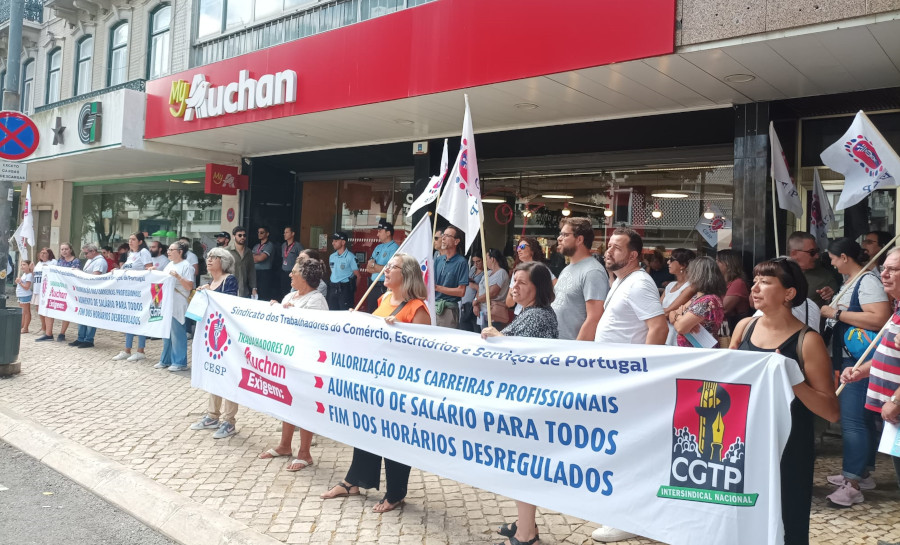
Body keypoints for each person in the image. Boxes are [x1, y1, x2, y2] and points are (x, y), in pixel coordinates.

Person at [731, 258, 839, 545]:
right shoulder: (744, 327)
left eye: (765, 282)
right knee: (742, 515)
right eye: (755, 280)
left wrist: (792, 378)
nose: (755, 287)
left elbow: (830, 410)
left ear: (789, 293)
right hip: (746, 438)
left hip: (789, 443)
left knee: (788, 517)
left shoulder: (808, 341)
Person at [321, 253, 430, 511]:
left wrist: (400, 335)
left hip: (399, 388)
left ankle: (395, 493)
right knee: (366, 429)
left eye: (393, 266)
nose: (387, 270)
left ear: (408, 274)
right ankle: (354, 481)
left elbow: (424, 354)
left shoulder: (418, 309)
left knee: (394, 438)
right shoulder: (382, 299)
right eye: (388, 265)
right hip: (374, 381)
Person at [591, 229, 666, 543]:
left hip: (628, 380)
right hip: (613, 377)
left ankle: (629, 518)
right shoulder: (621, 281)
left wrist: (642, 371)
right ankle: (621, 510)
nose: (609, 251)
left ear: (634, 255)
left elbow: (658, 326)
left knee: (627, 449)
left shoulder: (639, 283)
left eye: (617, 248)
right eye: (609, 246)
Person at [482, 261, 557, 545]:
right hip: (525, 402)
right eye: (514, 280)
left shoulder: (537, 317)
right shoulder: (530, 313)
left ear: (539, 288)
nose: (514, 286)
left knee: (523, 469)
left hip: (529, 406)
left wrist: (499, 339)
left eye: (522, 282)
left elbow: (520, 357)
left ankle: (526, 537)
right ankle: (526, 524)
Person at [818, 238, 891, 507]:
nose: (833, 265)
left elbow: (879, 318)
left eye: (834, 259)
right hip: (852, 358)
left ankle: (853, 483)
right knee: (861, 419)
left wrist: (835, 313)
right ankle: (862, 472)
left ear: (845, 257)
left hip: (861, 362)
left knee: (853, 422)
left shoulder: (867, 281)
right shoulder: (853, 281)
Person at [840, 247, 900, 498]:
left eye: (892, 269)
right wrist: (861, 371)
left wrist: (896, 401)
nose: (884, 274)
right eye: (883, 268)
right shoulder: (897, 309)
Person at [258, 257, 329, 469]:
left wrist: (290, 313)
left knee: (304, 403)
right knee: (287, 400)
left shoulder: (316, 300)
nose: (290, 274)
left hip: (307, 360)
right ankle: (284, 445)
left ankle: (305, 452)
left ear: (306, 277)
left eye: (295, 272)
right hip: (288, 358)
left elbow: (315, 329)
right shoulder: (291, 295)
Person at [189, 247, 240, 439]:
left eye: (215, 257)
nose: (209, 260)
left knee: (227, 377)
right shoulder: (211, 282)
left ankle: (229, 421)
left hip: (225, 338)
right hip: (212, 337)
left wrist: (210, 293)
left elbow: (229, 304)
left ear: (224, 262)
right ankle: (212, 415)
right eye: (208, 257)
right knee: (214, 374)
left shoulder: (229, 280)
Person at [551, 217, 608, 341]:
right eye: (560, 234)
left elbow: (595, 317)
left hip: (572, 350)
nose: (559, 238)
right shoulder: (568, 268)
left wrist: (576, 351)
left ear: (579, 239)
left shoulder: (593, 271)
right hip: (557, 345)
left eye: (565, 235)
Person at [153, 241, 195, 372]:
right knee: (167, 333)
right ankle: (166, 360)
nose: (168, 252)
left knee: (177, 333)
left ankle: (180, 362)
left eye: (172, 249)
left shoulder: (186, 266)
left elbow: (189, 286)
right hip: (167, 302)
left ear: (180, 252)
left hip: (178, 301)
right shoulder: (169, 264)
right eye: (168, 249)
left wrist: (178, 277)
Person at [113, 232, 153, 363]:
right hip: (129, 291)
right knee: (129, 320)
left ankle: (140, 350)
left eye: (133, 239)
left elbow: (149, 270)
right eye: (129, 239)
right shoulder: (131, 254)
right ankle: (127, 349)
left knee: (139, 320)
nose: (130, 242)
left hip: (139, 292)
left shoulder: (144, 253)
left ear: (140, 242)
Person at [672, 257, 725, 348]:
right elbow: (671, 314)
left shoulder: (708, 300)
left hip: (701, 353)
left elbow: (680, 328)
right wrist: (681, 318)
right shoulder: (697, 297)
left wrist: (679, 317)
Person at [70, 244, 109, 348]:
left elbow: (96, 277)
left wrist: (80, 274)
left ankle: (89, 339)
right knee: (82, 314)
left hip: (94, 293)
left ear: (93, 251)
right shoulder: (90, 260)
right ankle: (81, 337)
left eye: (86, 253)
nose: (85, 255)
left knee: (91, 315)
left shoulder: (100, 261)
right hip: (86, 291)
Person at [788, 231, 839, 307]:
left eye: (817, 251)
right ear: (794, 254)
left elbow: (835, 301)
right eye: (812, 252)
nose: (817, 256)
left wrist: (830, 295)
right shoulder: (775, 272)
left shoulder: (825, 277)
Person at [506, 237, 554, 316]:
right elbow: (509, 303)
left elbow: (556, 289)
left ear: (532, 249)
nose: (518, 250)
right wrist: (514, 291)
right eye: (518, 247)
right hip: (519, 313)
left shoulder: (542, 269)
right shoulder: (517, 271)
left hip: (537, 314)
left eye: (522, 247)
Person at [44, 243, 81, 342]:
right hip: (58, 288)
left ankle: (62, 333)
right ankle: (48, 333)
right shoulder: (60, 261)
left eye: (66, 249)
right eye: (62, 249)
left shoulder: (75, 261)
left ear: (70, 250)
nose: (64, 251)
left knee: (67, 310)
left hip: (69, 289)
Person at [433, 225, 468, 328]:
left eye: (447, 236)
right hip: (433, 307)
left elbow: (461, 291)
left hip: (448, 310)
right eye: (443, 235)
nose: (443, 238)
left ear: (456, 241)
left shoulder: (461, 262)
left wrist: (437, 288)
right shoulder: (438, 260)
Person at [661, 248, 697, 345]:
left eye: (672, 260)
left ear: (683, 265)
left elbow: (667, 312)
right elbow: (658, 309)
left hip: (677, 334)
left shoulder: (691, 287)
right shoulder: (670, 285)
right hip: (664, 331)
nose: (668, 262)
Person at [365, 220, 399, 312]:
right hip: (373, 284)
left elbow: (389, 269)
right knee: (371, 312)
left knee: (383, 312)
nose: (377, 234)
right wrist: (379, 267)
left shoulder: (394, 248)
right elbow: (368, 268)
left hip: (384, 286)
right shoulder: (378, 247)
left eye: (380, 231)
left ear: (388, 233)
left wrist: (374, 266)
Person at [474, 248, 510, 331]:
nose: (485, 261)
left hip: (493, 313)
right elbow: (480, 288)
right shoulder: (488, 272)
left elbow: (492, 293)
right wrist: (476, 304)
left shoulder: (501, 272)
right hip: (482, 312)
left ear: (492, 259)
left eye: (486, 259)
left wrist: (476, 300)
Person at [716, 249, 751, 330]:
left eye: (718, 261)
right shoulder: (722, 282)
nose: (715, 264)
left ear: (727, 263)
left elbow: (723, 309)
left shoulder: (738, 283)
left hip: (733, 329)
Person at [327, 231, 359, 311]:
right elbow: (333, 272)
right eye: (333, 241)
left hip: (345, 288)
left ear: (343, 242)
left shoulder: (351, 257)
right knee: (332, 312)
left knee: (345, 312)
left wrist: (352, 289)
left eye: (336, 241)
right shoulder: (332, 256)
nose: (333, 243)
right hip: (333, 287)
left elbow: (358, 276)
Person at [32, 248, 58, 341]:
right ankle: (43, 327)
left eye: (44, 253)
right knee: (38, 309)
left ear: (49, 254)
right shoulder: (38, 263)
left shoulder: (53, 262)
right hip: (37, 289)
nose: (42, 255)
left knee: (46, 310)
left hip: (47, 290)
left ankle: (48, 329)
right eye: (41, 253)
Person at [229, 226, 258, 299]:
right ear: (234, 236)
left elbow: (251, 271)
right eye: (239, 235)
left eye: (244, 235)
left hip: (244, 291)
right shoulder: (227, 251)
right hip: (229, 289)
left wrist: (254, 288)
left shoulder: (248, 252)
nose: (242, 237)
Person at [459, 255, 484, 333]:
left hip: (475, 304)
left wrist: (474, 286)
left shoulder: (486, 273)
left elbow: (484, 289)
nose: (476, 264)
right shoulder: (473, 268)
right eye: (474, 262)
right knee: (464, 328)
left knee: (475, 329)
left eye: (478, 261)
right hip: (465, 301)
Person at [253, 226, 276, 301]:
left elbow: (261, 258)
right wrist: (257, 257)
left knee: (264, 295)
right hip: (255, 273)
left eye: (262, 232)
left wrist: (256, 257)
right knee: (255, 293)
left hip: (265, 273)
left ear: (267, 234)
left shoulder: (269, 245)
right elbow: (250, 258)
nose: (259, 234)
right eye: (258, 232)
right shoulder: (256, 246)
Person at [279, 226, 303, 299]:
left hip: (293, 273)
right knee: (283, 291)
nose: (284, 234)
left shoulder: (298, 246)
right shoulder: (283, 245)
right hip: (284, 272)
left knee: (292, 292)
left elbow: (302, 259)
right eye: (284, 232)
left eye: (287, 232)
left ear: (292, 234)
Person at [14, 260, 33, 333]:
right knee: (23, 312)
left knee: (26, 312)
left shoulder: (29, 275)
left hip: (25, 295)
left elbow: (27, 287)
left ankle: (25, 327)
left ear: (29, 266)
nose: (22, 266)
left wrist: (20, 282)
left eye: (24, 264)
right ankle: (22, 326)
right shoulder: (24, 274)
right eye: (21, 265)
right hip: (21, 295)